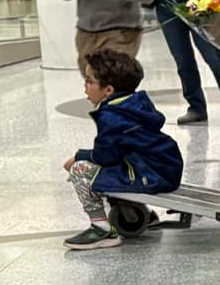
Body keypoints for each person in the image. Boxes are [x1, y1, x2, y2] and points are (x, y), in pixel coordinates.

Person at [60, 50, 182, 251]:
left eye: (89, 82)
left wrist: (77, 157)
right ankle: (132, 208)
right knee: (108, 169)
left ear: (108, 90)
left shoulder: (112, 116)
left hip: (151, 174)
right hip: (163, 168)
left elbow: (105, 156)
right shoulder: (133, 103)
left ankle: (101, 230)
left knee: (80, 170)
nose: (84, 88)